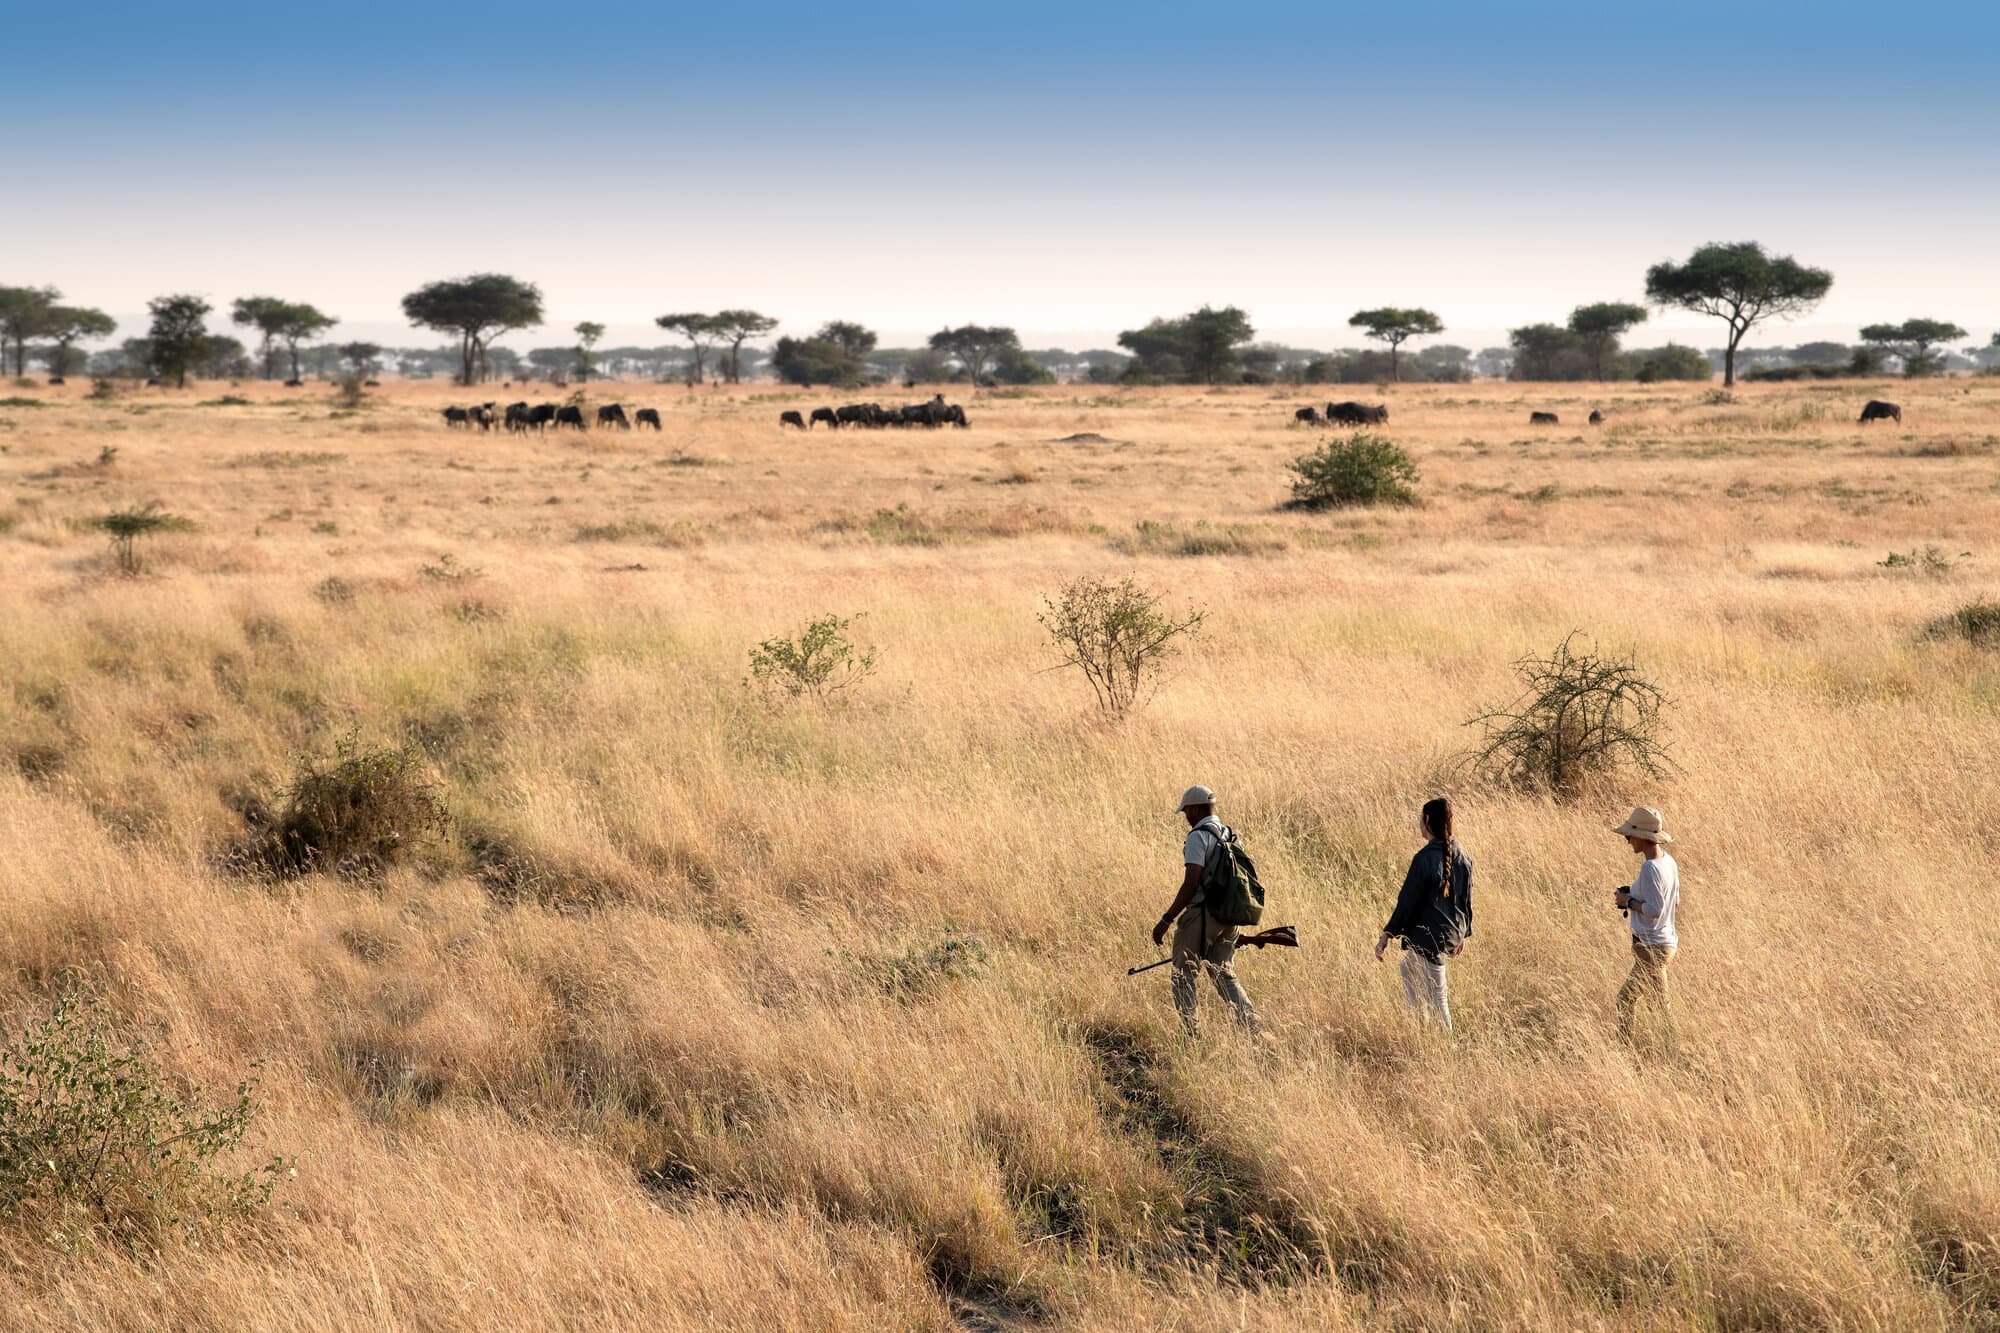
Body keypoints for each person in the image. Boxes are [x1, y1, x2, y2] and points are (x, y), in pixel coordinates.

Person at [1152, 785, 1262, 1034]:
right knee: (1224, 973)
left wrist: (1167, 919)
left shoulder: (1197, 837)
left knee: (1183, 975)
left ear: (1197, 809)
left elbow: (1191, 884)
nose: (1186, 817)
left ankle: (1191, 1035)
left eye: (1187, 812)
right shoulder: (1231, 835)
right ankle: (1252, 1025)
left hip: (1201, 916)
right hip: (1230, 917)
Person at [1374, 797, 1473, 1032]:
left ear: (1427, 821)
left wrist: (1387, 934)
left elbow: (1407, 901)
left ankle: (1443, 1047)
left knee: (1439, 998)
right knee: (1408, 969)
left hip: (1428, 936)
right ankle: (1419, 1027)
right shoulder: (1463, 857)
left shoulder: (1424, 859)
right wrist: (1462, 934)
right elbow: (1465, 903)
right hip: (1448, 934)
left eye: (1420, 817)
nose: (1419, 821)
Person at [1612, 806, 1679, 1041]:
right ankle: (1664, 1051)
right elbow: (1673, 903)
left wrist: (1628, 901)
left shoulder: (1650, 867)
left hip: (1652, 947)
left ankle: (1626, 1049)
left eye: (1630, 835)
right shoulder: (1668, 862)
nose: (1628, 840)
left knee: (1628, 1001)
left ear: (1642, 836)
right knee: (1657, 1005)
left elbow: (1655, 909)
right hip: (1662, 944)